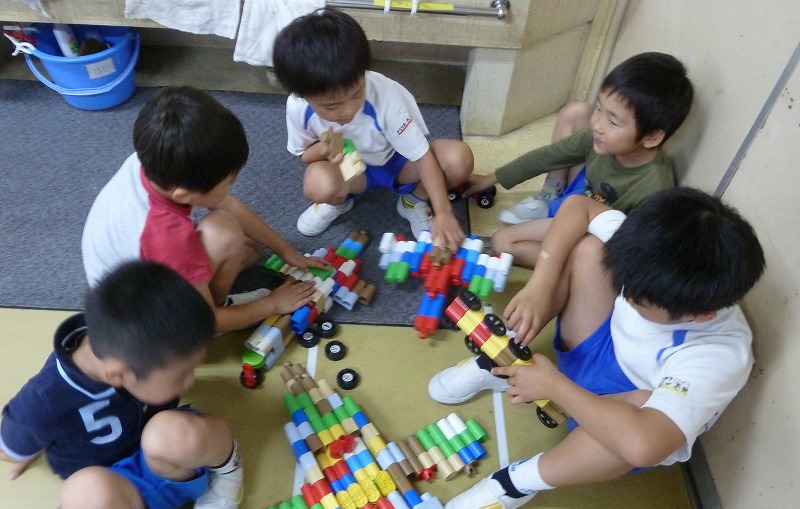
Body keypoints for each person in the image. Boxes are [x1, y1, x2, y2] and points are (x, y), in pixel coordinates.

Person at [427, 188, 765, 509]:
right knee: (590, 250)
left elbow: (645, 447)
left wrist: (554, 386)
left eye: (638, 299)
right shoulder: (657, 248)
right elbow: (579, 207)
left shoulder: (721, 353)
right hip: (595, 349)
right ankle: (508, 363)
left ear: (701, 314)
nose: (625, 292)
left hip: (614, 412)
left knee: (643, 422)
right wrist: (541, 284)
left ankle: (513, 484)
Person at [0, 261, 240, 509]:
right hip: (122, 499)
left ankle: (229, 470)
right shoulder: (43, 402)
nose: (190, 382)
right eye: (181, 374)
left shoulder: (134, 342)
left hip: (171, 458)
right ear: (118, 376)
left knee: (168, 433)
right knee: (81, 499)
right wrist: (25, 446)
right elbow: (10, 445)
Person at [82, 85, 328, 334]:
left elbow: (227, 204)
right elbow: (206, 322)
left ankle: (206, 292)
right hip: (142, 321)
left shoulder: (155, 158)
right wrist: (272, 304)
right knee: (225, 233)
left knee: (249, 248)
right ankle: (219, 306)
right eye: (228, 182)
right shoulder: (167, 236)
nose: (234, 183)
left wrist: (286, 251)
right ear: (183, 195)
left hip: (132, 278)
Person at [462, 52, 693, 267]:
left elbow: (625, 251)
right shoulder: (601, 138)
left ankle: (567, 265)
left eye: (613, 122)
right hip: (581, 194)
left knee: (503, 243)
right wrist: (490, 179)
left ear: (651, 137)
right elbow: (551, 155)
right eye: (599, 108)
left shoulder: (654, 188)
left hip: (590, 231)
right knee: (577, 112)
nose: (597, 124)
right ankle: (550, 197)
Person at [272, 8, 474, 252]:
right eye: (331, 106)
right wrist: (326, 147)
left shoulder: (386, 96)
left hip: (398, 162)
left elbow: (421, 157)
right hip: (353, 169)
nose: (348, 111)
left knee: (458, 159)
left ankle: (413, 201)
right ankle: (339, 202)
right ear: (301, 95)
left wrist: (443, 212)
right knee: (318, 183)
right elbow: (303, 155)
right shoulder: (298, 107)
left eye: (357, 94)